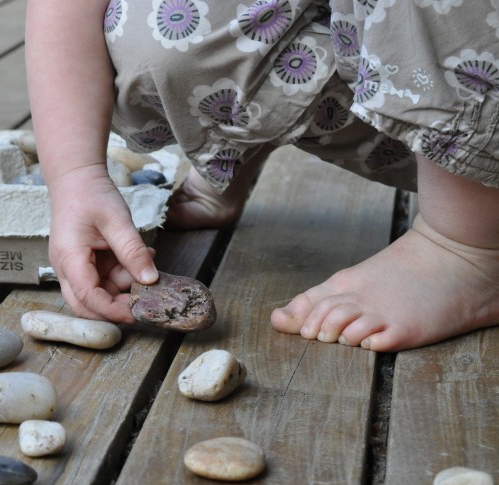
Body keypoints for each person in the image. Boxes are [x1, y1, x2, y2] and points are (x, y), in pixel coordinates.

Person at [25, 0, 499, 352]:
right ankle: (234, 155)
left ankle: (470, 244)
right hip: (396, 107)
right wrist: (76, 177)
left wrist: (462, 239)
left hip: (476, 94)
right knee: (153, 30)